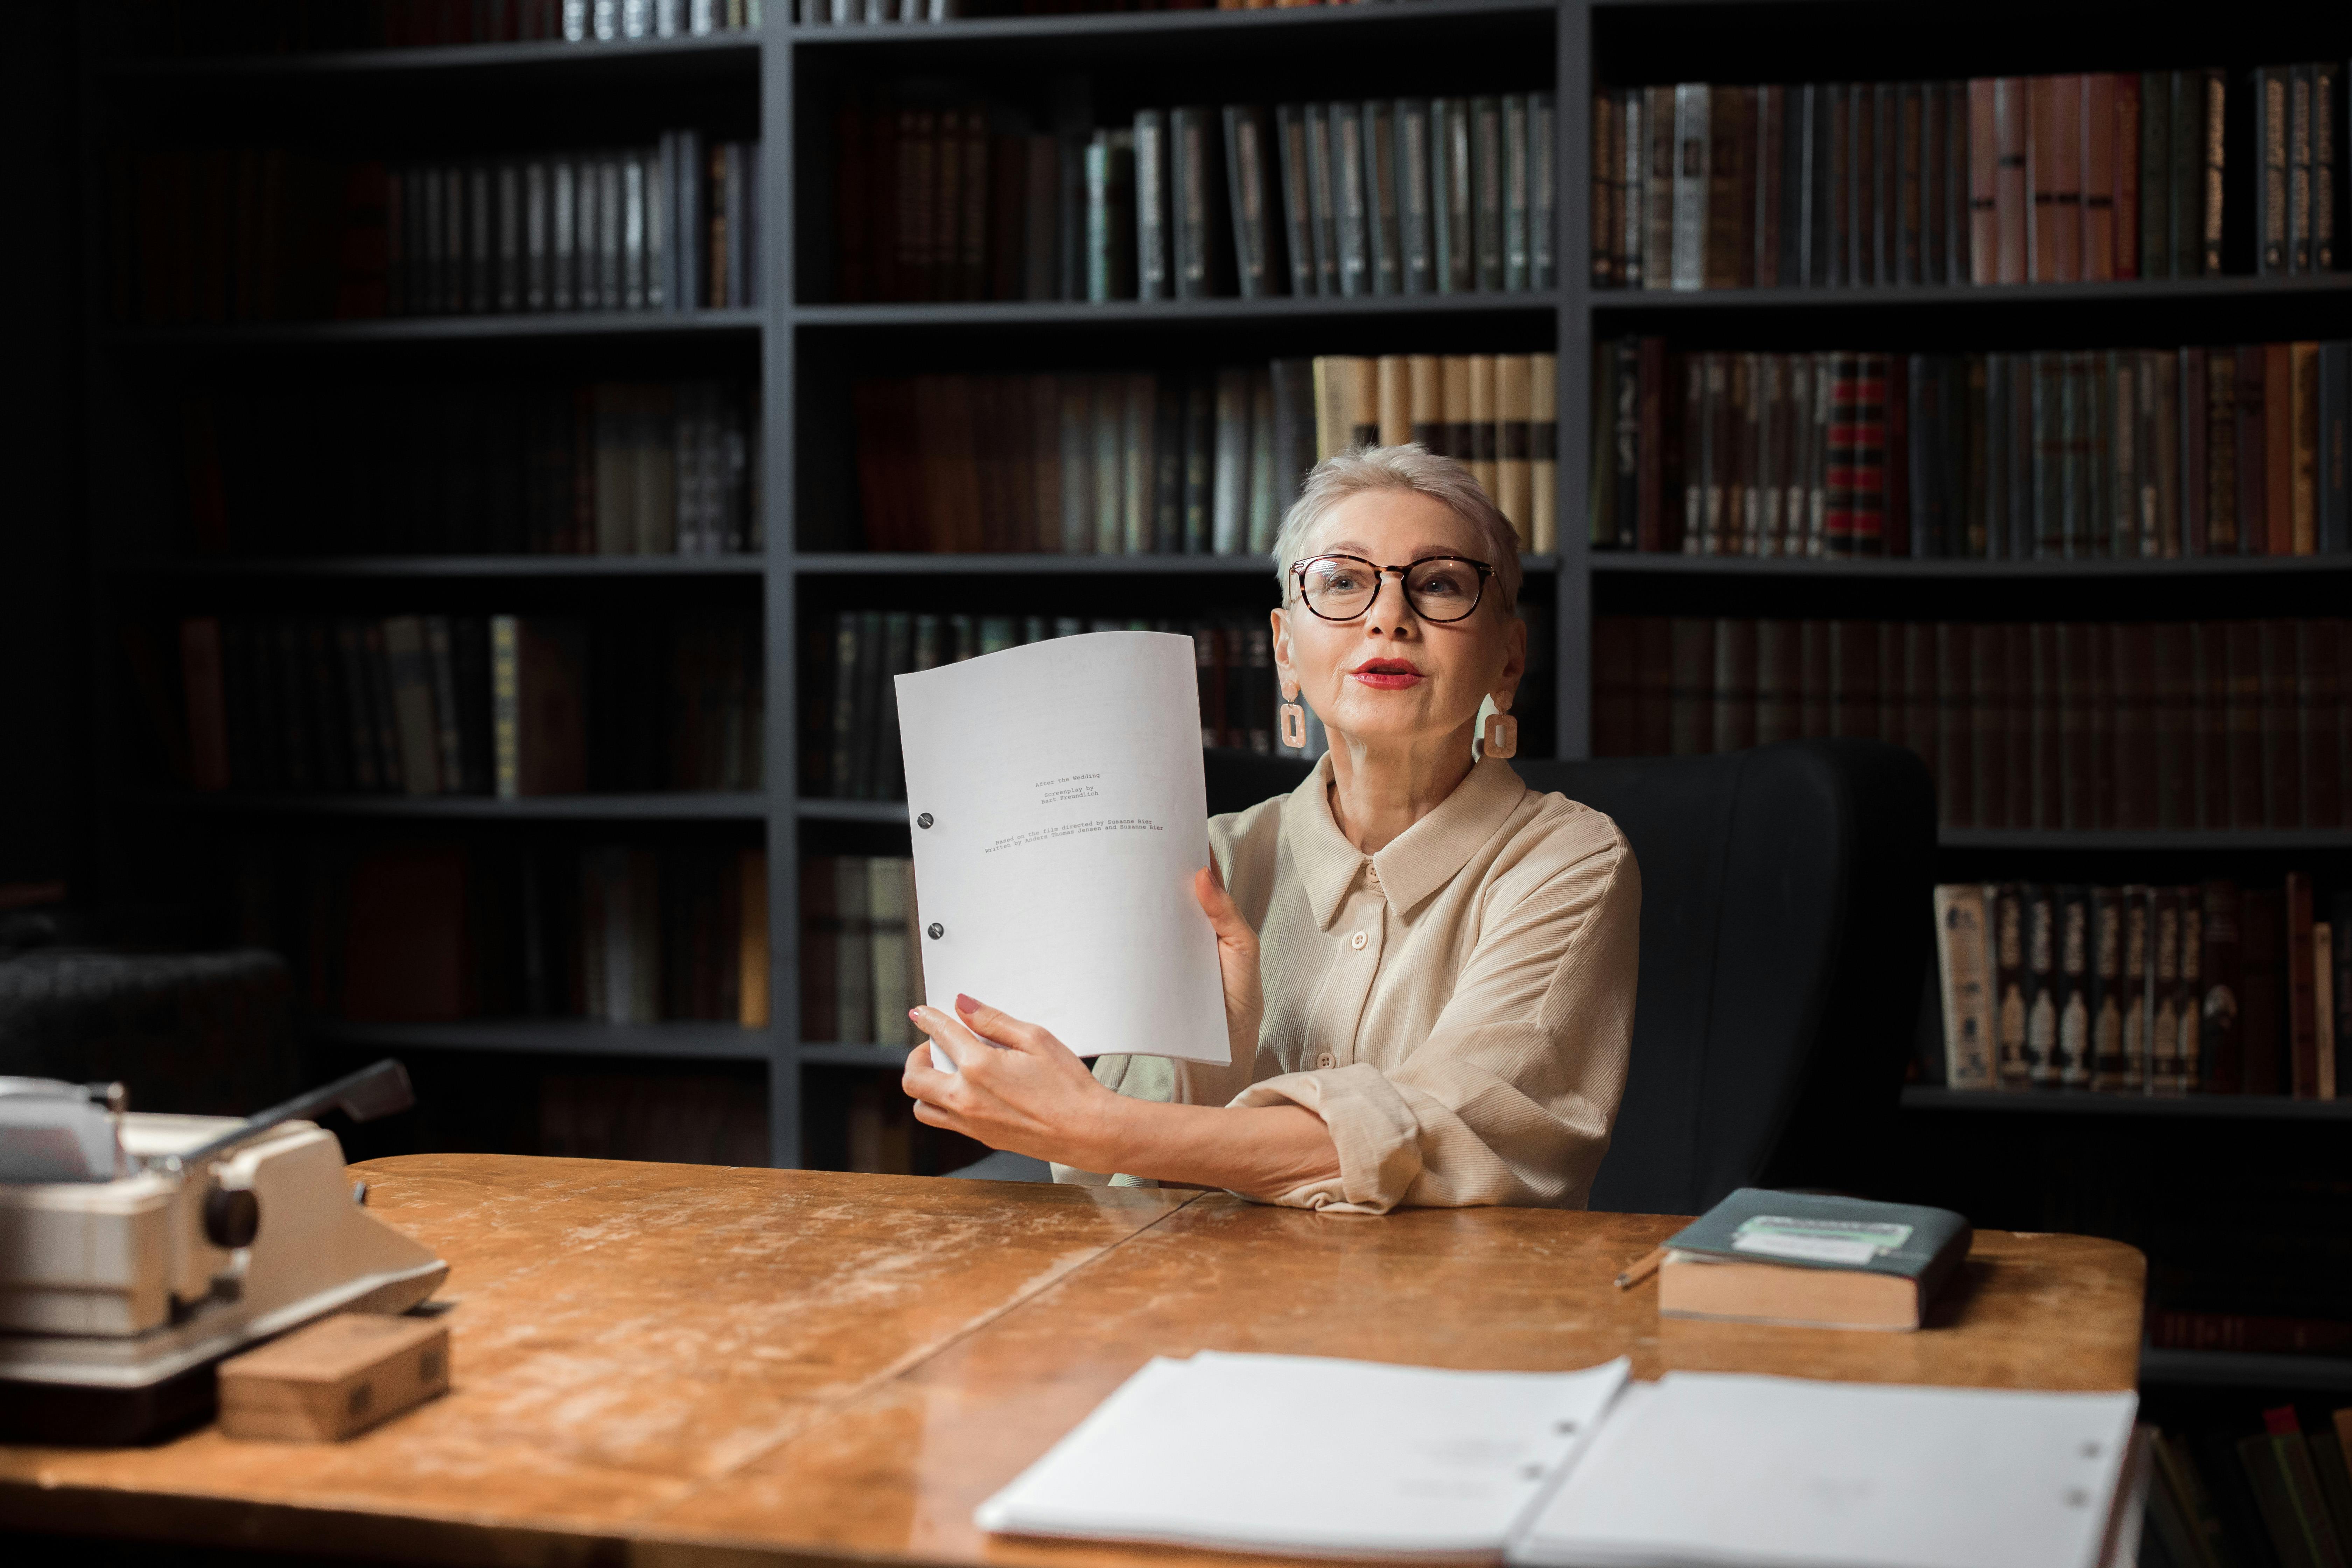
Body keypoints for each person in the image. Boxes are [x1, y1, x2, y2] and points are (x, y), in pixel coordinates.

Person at [899, 446, 1639, 1214]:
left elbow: (1448, 1135)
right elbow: (1113, 1195)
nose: (1389, 617)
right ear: (1285, 650)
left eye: (1441, 584)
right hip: (1214, 1309)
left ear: (1508, 662)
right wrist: (1197, 1070)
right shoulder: (1210, 858)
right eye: (1345, 581)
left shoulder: (1570, 860)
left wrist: (1099, 1123)